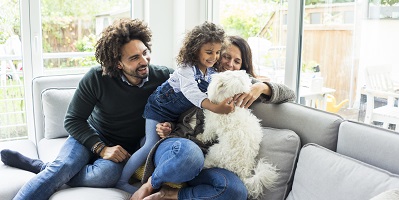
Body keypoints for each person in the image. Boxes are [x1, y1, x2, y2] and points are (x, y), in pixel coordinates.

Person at [0, 18, 175, 200]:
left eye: (144, 53)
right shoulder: (97, 78)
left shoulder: (163, 77)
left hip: (123, 148)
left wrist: (168, 124)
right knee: (65, 166)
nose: (144, 61)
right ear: (118, 64)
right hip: (90, 137)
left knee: (107, 175)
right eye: (134, 58)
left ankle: (45, 167)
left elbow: (179, 109)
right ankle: (56, 169)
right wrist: (101, 148)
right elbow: (72, 120)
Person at [130, 36, 296, 199]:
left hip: (207, 162)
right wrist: (168, 126)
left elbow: (290, 94)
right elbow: (170, 108)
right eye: (226, 56)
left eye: (237, 61)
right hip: (179, 147)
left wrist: (261, 87)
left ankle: (171, 194)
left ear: (242, 67)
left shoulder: (239, 85)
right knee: (189, 155)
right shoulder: (196, 76)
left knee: (237, 192)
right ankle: (151, 183)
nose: (230, 64)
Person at [116, 21, 237, 195]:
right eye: (209, 52)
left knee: (154, 140)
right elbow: (192, 93)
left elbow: (224, 84)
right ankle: (121, 181)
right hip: (158, 108)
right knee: (150, 144)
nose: (214, 57)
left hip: (173, 117)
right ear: (195, 50)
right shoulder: (186, 69)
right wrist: (216, 108)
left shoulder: (211, 73)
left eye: (218, 52)